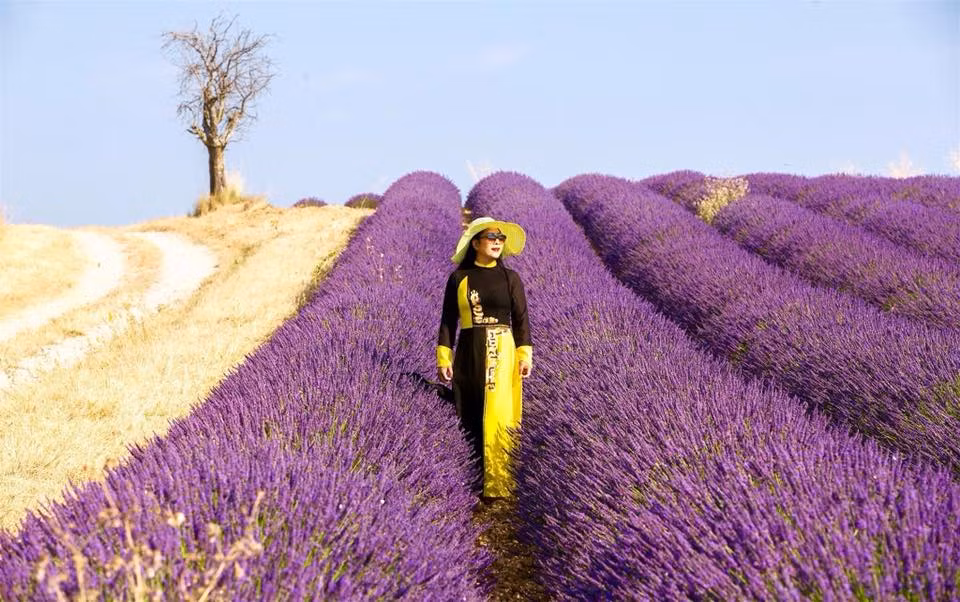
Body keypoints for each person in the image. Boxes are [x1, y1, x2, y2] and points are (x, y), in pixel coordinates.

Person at [437, 216, 533, 501]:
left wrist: (524, 355)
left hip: (502, 352)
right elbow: (448, 321)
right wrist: (444, 358)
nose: (497, 242)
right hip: (469, 350)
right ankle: (470, 484)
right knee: (468, 412)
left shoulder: (510, 278)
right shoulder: (459, 278)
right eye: (492, 237)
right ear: (476, 243)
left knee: (499, 416)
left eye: (501, 238)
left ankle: (498, 486)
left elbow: (521, 320)